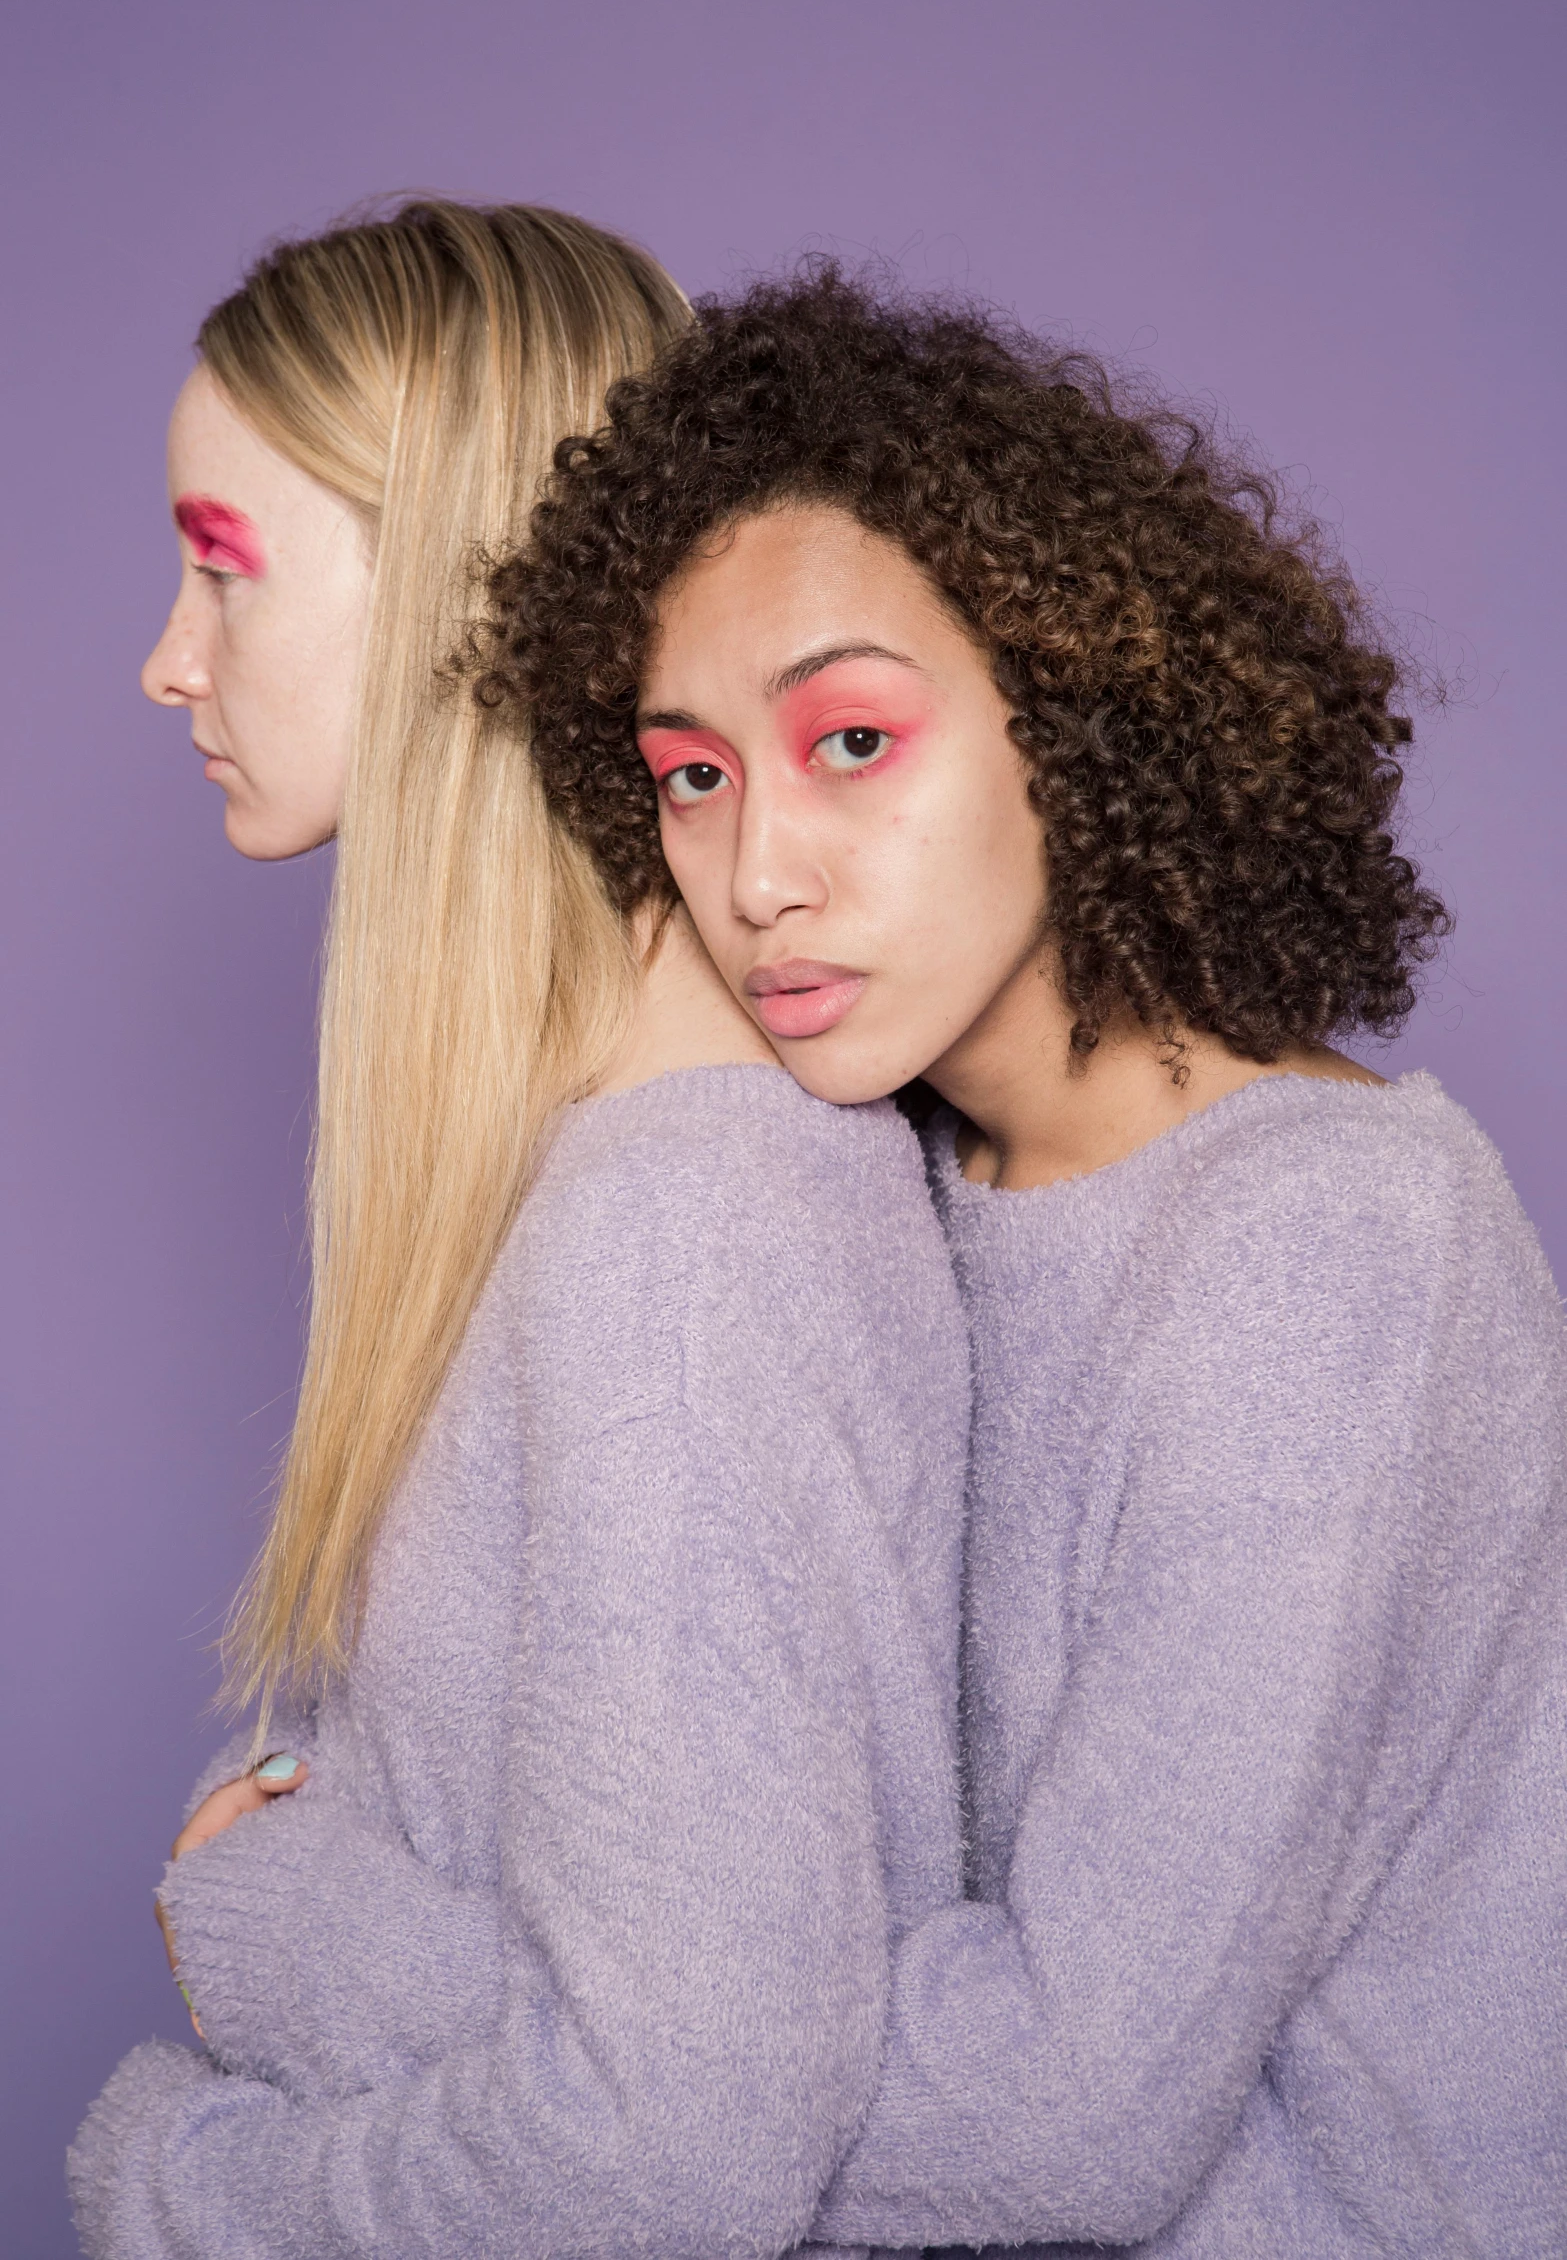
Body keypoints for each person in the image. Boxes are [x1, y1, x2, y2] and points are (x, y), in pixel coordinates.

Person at [487, 264, 1567, 2257]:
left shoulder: (1327, 1239)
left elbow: (1069, 2103)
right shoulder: (867, 1181)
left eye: (853, 743)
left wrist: (486, 2023)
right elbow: (624, 1774)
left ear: (1077, 718)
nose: (755, 874)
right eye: (692, 774)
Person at [69, 211, 969, 2260]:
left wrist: (168, 2177)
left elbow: (671, 2150)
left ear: (451, 588)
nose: (168, 652)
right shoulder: (591, 1178)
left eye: (223, 558)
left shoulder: (681, 1245)